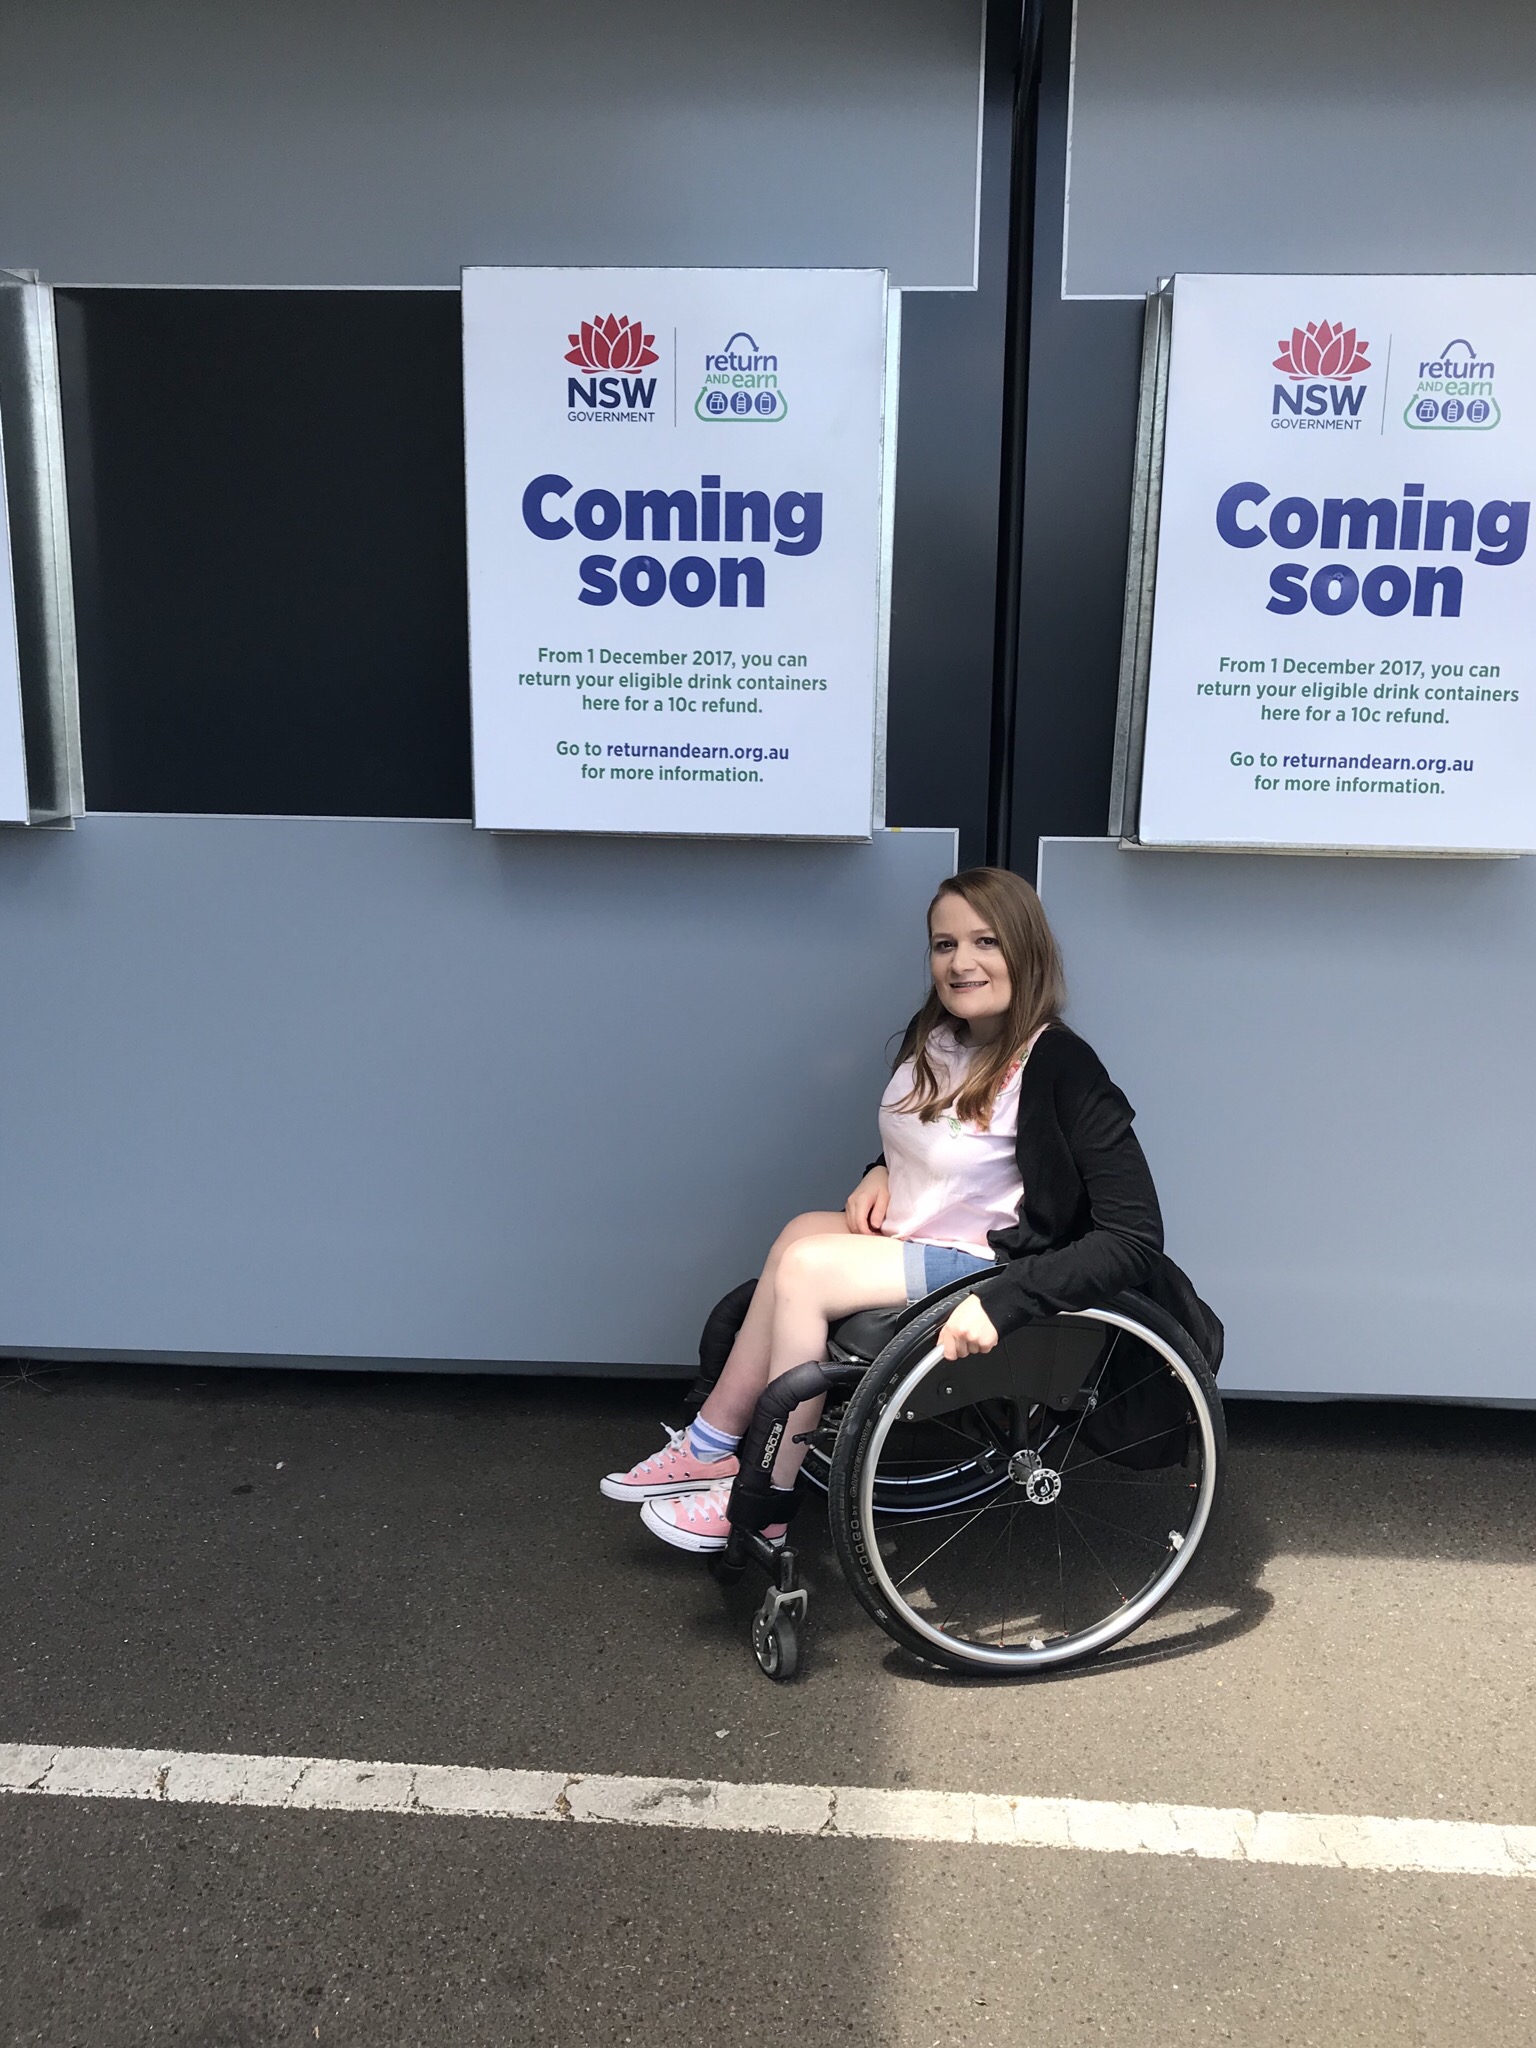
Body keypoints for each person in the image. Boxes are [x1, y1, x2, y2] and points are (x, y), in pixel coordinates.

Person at [599, 865, 1199, 1554]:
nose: (961, 962)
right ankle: (711, 1444)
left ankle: (764, 1499)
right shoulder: (939, 1036)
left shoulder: (1062, 1065)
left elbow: (1134, 1237)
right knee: (798, 1232)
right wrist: (879, 1170)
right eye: (944, 945)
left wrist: (1007, 1300)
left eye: (985, 942)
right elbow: (943, 1141)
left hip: (994, 1262)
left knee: (807, 1268)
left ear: (1027, 951)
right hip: (933, 1236)